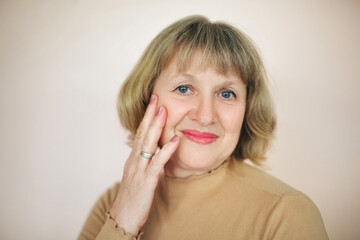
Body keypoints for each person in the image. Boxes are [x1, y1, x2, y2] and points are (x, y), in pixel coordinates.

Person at [78, 15, 328, 240]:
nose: (206, 116)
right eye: (184, 88)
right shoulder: (113, 204)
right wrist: (123, 222)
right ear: (146, 98)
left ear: (247, 110)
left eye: (227, 93)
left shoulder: (287, 213)